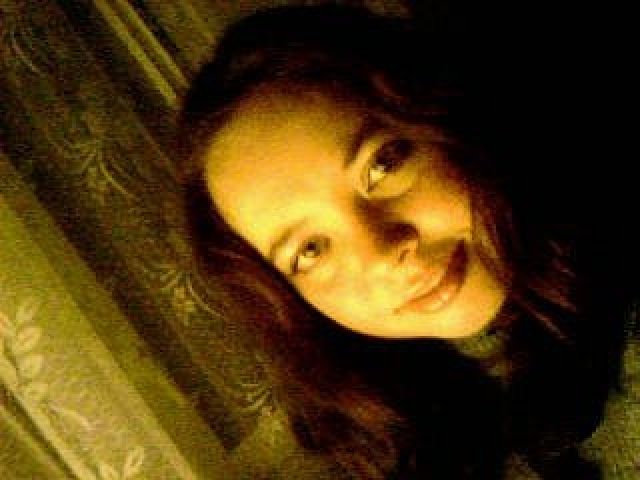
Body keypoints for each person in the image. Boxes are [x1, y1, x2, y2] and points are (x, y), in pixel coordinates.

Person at [176, 4, 636, 479]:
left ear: (451, 114)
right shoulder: (408, 438)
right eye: (310, 250)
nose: (382, 253)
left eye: (382, 165)